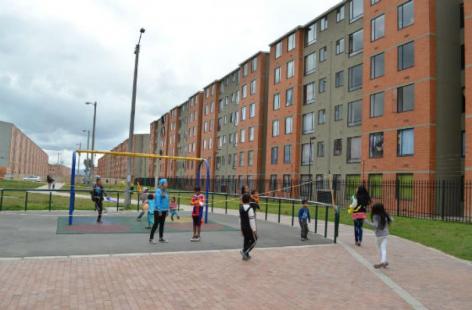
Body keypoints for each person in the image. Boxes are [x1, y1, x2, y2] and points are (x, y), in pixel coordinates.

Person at [365, 203, 392, 269]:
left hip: (379, 235)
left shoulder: (375, 216)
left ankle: (382, 261)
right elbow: (391, 219)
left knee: (380, 249)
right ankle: (384, 261)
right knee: (383, 249)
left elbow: (375, 225)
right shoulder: (385, 215)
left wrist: (366, 222)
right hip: (385, 234)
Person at [149, 179, 169, 244]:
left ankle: (161, 238)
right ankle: (151, 239)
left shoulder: (166, 191)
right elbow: (158, 201)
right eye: (166, 183)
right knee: (156, 224)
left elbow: (167, 201)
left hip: (164, 210)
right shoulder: (158, 191)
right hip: (158, 210)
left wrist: (167, 210)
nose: (167, 184)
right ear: (162, 184)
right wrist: (159, 210)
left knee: (162, 224)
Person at [240, 193, 257, 261]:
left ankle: (245, 255)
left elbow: (240, 219)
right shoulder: (250, 209)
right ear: (249, 200)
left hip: (243, 227)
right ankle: (244, 251)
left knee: (246, 240)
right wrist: (254, 230)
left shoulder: (241, 208)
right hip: (249, 227)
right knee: (254, 240)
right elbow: (252, 220)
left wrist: (241, 229)